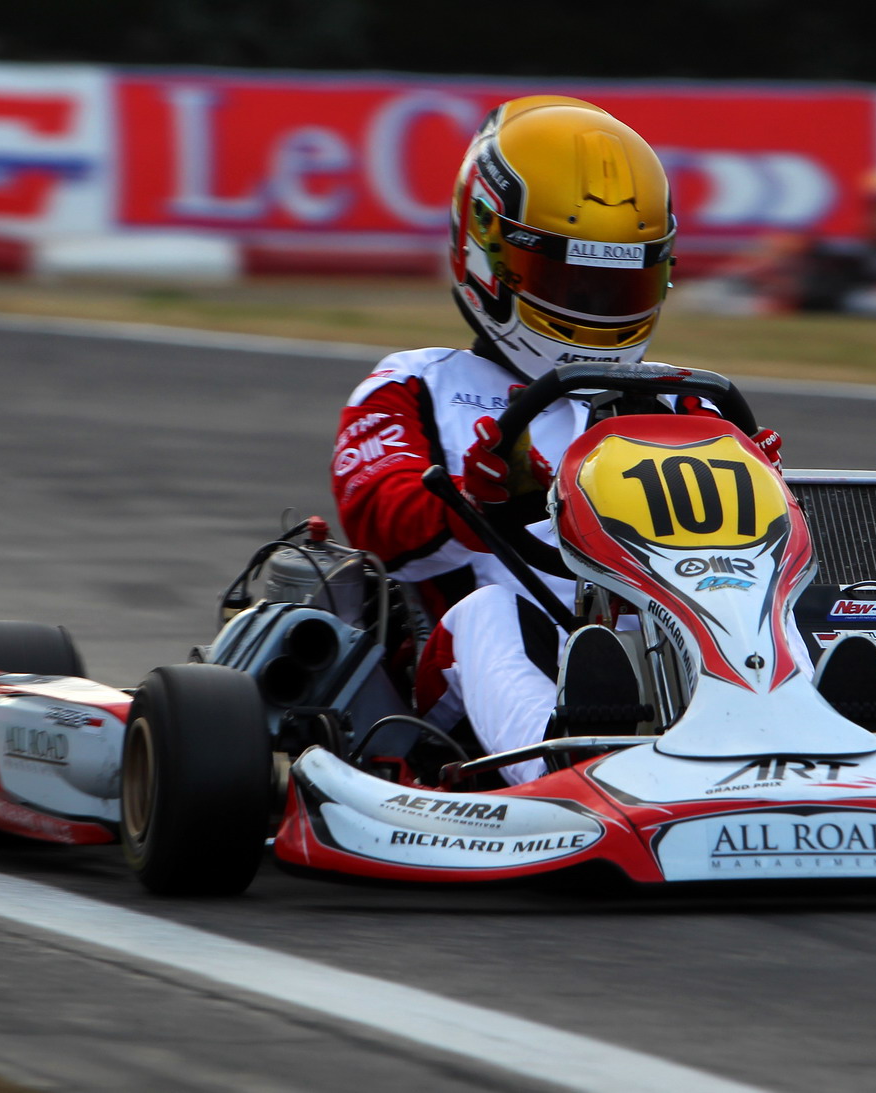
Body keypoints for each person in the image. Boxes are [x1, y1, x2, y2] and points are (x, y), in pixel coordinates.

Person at [330, 96, 781, 783]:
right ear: (486, 253)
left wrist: (767, 497)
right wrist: (474, 503)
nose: (596, 307)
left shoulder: (682, 402)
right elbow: (377, 522)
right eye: (568, 281)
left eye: (618, 283)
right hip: (463, 691)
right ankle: (567, 766)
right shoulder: (416, 386)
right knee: (492, 612)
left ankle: (823, 740)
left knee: (803, 596)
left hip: (669, 653)